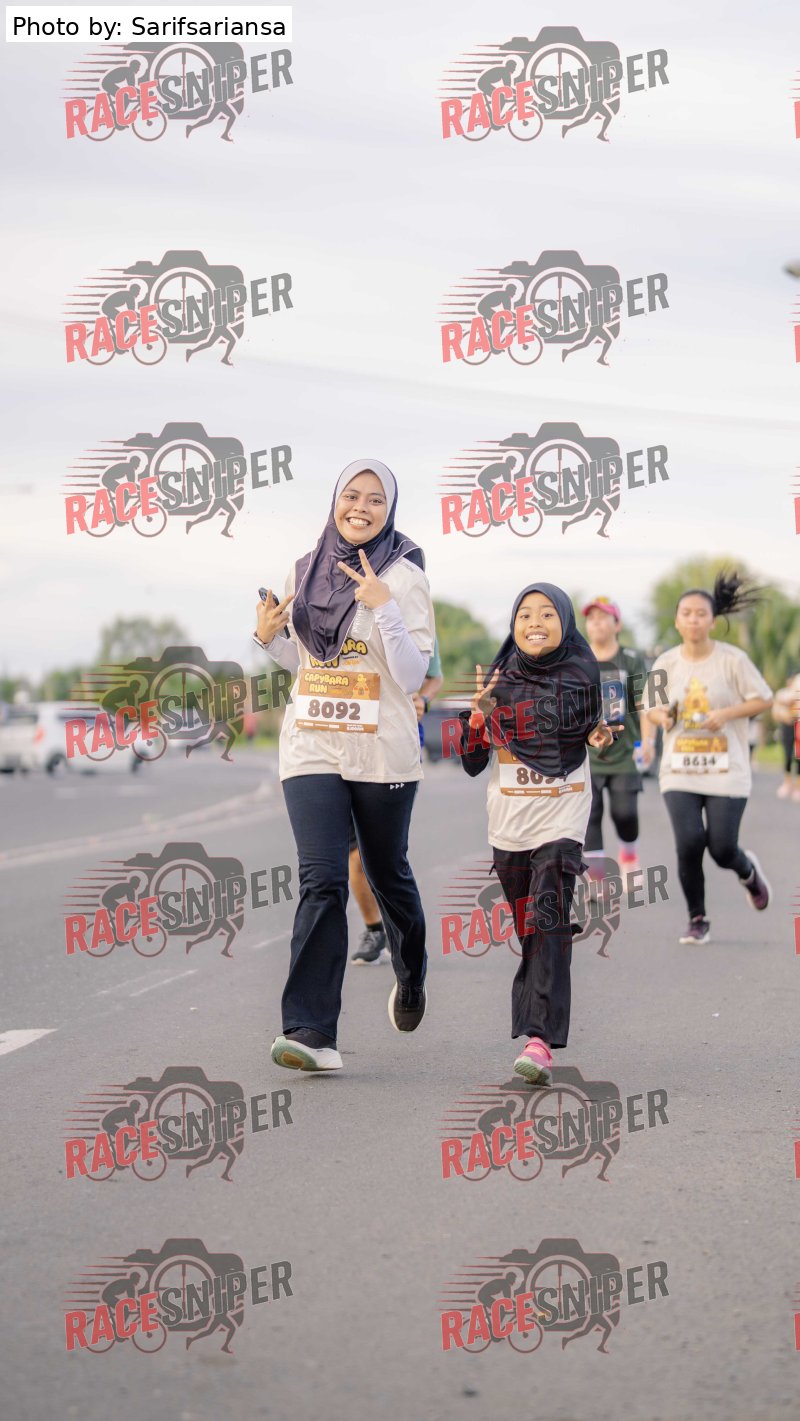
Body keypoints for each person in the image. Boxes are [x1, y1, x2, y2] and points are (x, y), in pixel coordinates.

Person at [253, 460, 435, 1071]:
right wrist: (269, 640)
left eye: (375, 499)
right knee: (322, 877)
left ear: (390, 510)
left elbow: (412, 676)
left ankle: (410, 974)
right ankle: (311, 1032)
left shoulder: (404, 575)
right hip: (312, 744)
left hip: (382, 748)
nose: (361, 507)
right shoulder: (304, 569)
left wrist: (384, 607)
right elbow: (306, 663)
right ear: (334, 501)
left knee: (387, 874)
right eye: (351, 496)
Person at [454, 583, 615, 1086]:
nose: (535, 623)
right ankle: (544, 984)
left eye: (547, 614)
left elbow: (599, 730)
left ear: (565, 623)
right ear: (514, 625)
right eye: (525, 614)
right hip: (510, 823)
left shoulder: (584, 676)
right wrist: (477, 720)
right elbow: (472, 763)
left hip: (563, 814)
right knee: (533, 927)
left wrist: (599, 734)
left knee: (546, 915)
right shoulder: (496, 680)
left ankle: (538, 1039)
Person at [641, 572, 773, 945]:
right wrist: (662, 719)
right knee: (688, 843)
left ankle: (748, 872)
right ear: (677, 621)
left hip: (726, 768)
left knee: (722, 848)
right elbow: (650, 707)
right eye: (687, 613)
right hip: (679, 769)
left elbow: (763, 699)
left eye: (701, 614)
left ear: (713, 621)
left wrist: (726, 714)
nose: (694, 620)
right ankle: (697, 919)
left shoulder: (732, 660)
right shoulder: (666, 662)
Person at [351, 641, 443, 963]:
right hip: (343, 745)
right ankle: (374, 929)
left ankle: (401, 934)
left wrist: (423, 700)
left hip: (394, 747)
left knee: (384, 856)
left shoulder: (411, 620)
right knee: (354, 856)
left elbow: (435, 676)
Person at [581, 597, 651, 889]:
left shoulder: (631, 659)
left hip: (624, 753)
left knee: (625, 812)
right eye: (591, 618)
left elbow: (645, 704)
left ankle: (629, 856)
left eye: (603, 617)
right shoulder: (578, 661)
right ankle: (596, 878)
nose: (596, 622)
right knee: (590, 815)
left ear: (617, 624)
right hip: (587, 755)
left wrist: (648, 741)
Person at [772, 672, 800, 800]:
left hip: (798, 725)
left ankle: (798, 787)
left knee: (798, 756)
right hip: (787, 726)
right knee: (788, 755)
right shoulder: (782, 693)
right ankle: (787, 783)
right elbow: (776, 712)